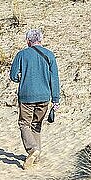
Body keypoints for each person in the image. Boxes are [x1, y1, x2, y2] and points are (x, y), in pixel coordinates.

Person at [10, 29, 60, 170]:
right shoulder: (50, 55)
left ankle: (32, 149)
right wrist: (56, 99)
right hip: (44, 96)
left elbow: (13, 76)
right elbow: (54, 79)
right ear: (41, 40)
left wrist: (22, 77)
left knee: (24, 124)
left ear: (28, 41)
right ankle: (36, 157)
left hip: (26, 95)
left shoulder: (21, 54)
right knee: (36, 124)